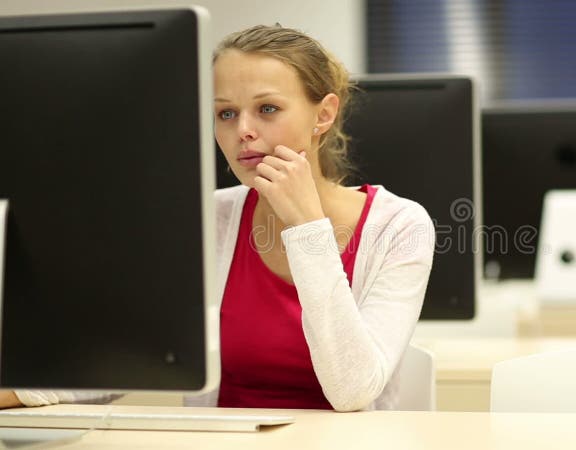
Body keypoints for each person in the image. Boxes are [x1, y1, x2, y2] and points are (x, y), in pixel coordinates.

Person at [0, 25, 435, 412]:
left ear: (323, 114)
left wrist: (306, 228)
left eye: (267, 109)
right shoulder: (214, 217)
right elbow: (136, 353)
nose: (242, 129)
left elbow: (353, 391)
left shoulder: (400, 226)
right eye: (226, 113)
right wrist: (22, 393)